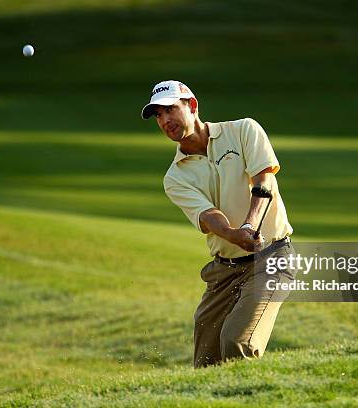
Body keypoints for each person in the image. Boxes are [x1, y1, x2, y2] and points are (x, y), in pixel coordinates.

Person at [141, 80, 295, 368]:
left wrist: (249, 227)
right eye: (158, 115)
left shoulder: (243, 130)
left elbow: (264, 181)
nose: (164, 120)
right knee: (206, 361)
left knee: (238, 342)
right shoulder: (175, 177)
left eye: (170, 110)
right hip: (224, 271)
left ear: (193, 106)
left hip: (271, 257)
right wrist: (236, 236)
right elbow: (210, 217)